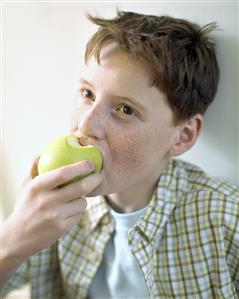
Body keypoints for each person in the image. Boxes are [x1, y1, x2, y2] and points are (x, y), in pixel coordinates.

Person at [1, 10, 239, 299]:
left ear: (183, 136)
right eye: (87, 94)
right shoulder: (52, 203)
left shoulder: (226, 220)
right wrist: (11, 243)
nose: (85, 126)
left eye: (125, 109)